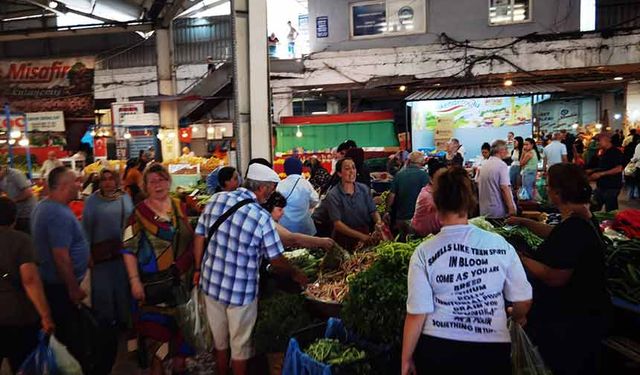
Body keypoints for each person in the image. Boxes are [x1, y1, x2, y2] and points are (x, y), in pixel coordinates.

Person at [402, 166, 532, 375]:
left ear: (435, 203)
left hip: (438, 349)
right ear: (470, 202)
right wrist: (516, 316)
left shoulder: (424, 252)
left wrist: (406, 359)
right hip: (491, 350)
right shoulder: (499, 244)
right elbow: (523, 301)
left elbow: (417, 313)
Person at [193, 163, 307, 375]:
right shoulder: (261, 218)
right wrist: (295, 273)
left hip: (211, 284)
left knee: (220, 343)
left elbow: (199, 235)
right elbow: (276, 259)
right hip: (240, 293)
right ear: (262, 188)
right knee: (240, 348)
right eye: (271, 188)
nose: (272, 193)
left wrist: (198, 269)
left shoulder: (217, 199)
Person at [507, 164, 611, 375]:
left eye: (548, 183)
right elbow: (557, 234)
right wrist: (524, 222)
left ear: (556, 193)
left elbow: (554, 277)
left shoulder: (575, 226)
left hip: (573, 322)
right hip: (585, 314)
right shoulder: (581, 217)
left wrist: (520, 259)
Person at [122, 164, 194, 375]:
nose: (158, 185)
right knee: (157, 348)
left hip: (182, 287)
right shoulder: (138, 214)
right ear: (144, 186)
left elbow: (191, 239)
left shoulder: (180, 206)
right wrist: (134, 280)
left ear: (169, 181)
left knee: (182, 346)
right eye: (152, 181)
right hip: (153, 289)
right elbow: (127, 249)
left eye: (161, 180)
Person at [31, 166, 89, 367]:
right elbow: (61, 256)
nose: (79, 185)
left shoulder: (44, 206)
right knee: (70, 340)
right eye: (76, 182)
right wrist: (73, 288)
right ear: (64, 186)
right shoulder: (58, 214)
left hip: (54, 285)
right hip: (60, 288)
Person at [0, 197, 55, 373]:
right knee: (22, 365)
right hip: (17, 317)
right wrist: (45, 315)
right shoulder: (21, 241)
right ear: (14, 219)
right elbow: (30, 279)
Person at [82, 169, 134, 327]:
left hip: (122, 253)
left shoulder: (124, 198)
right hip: (100, 255)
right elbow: (86, 228)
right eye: (104, 179)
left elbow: (131, 222)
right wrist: (87, 253)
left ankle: (125, 324)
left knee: (122, 289)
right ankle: (106, 326)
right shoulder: (92, 200)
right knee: (103, 292)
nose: (107, 182)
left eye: (111, 178)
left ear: (117, 180)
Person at [323, 158, 382, 249]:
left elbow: (373, 211)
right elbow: (338, 224)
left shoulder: (364, 189)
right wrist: (361, 236)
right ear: (339, 173)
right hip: (344, 239)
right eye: (347, 169)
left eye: (353, 168)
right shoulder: (333, 195)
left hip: (365, 234)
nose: (352, 171)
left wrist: (378, 222)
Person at [262, 191, 334, 250]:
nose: (283, 212)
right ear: (269, 208)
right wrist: (321, 242)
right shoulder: (266, 222)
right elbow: (292, 239)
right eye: (280, 209)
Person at [386, 151, 428, 239]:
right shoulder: (424, 176)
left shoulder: (399, 175)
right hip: (417, 218)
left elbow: (391, 196)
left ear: (408, 161)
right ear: (421, 163)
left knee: (402, 241)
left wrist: (387, 211)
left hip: (401, 218)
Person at [277, 158, 319, 235]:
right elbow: (315, 200)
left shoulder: (280, 185)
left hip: (285, 228)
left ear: (285, 170)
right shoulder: (306, 184)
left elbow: (276, 204)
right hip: (305, 227)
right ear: (300, 169)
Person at [477, 140, 517, 219]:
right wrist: (511, 208)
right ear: (501, 150)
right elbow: (504, 188)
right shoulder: (501, 165)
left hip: (484, 210)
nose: (507, 152)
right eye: (506, 149)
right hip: (497, 211)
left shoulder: (484, 165)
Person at [587, 133, 625, 212]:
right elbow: (604, 167)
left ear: (607, 140)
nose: (598, 143)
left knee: (610, 210)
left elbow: (619, 168)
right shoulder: (603, 152)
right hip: (602, 185)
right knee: (594, 208)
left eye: (599, 141)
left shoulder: (615, 152)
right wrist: (593, 170)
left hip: (612, 186)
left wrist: (600, 174)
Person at [411, 158, 445, 236]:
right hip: (422, 236)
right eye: (441, 178)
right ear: (431, 179)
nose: (446, 180)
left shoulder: (439, 192)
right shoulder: (427, 195)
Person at [0, 165, 36, 233]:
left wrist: (12, 201)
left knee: (26, 237)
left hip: (27, 213)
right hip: (15, 214)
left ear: (2, 169)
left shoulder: (16, 174)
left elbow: (28, 192)